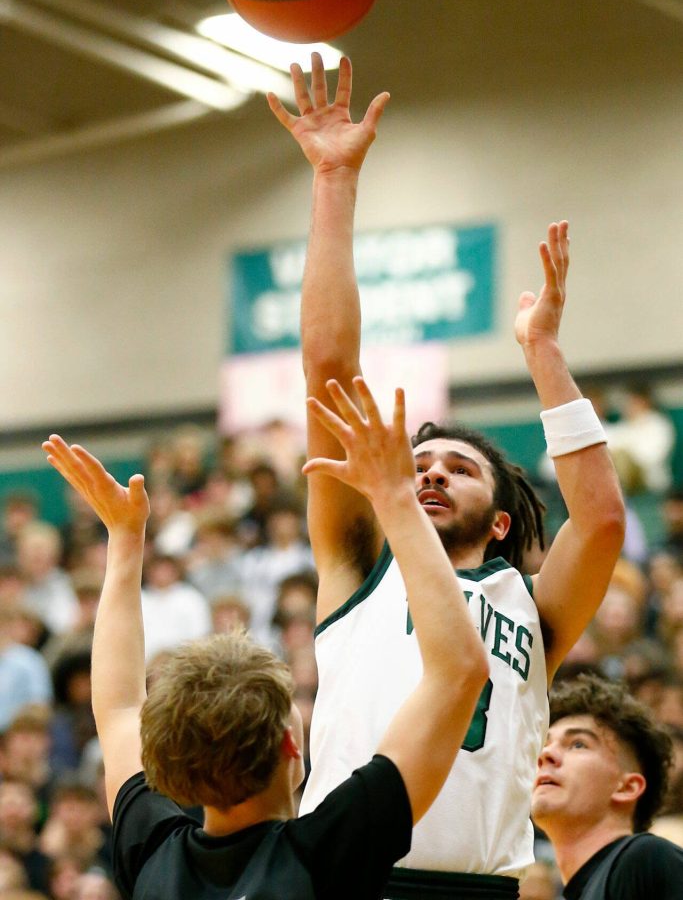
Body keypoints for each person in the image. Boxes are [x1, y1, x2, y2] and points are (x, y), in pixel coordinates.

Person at [267, 53, 626, 897]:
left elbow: (601, 520)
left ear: (500, 522)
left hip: (481, 883)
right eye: (418, 462)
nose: (427, 475)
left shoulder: (530, 611)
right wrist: (332, 182)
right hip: (350, 873)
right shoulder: (360, 566)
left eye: (458, 469)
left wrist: (540, 354)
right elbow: (327, 368)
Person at [41, 374, 488, 900]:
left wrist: (123, 538)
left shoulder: (155, 854)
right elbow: (461, 670)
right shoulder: (324, 852)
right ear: (289, 744)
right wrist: (395, 497)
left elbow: (116, 708)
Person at [531, 674, 683, 898]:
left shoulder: (645, 859)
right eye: (545, 744)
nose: (546, 754)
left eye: (577, 744)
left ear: (627, 788)